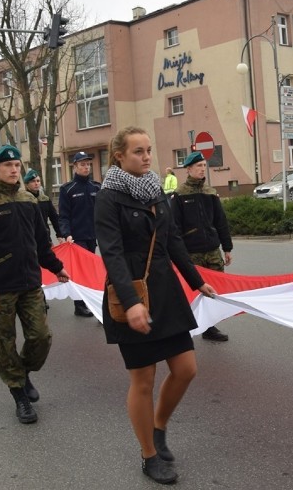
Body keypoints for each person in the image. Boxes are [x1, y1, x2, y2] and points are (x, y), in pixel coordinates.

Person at [95, 126, 216, 485]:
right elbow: (112, 253)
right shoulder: (109, 197)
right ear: (119, 156)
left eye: (149, 150)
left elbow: (172, 240)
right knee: (143, 379)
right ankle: (149, 454)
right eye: (138, 151)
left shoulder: (155, 190)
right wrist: (131, 303)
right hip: (130, 293)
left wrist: (196, 280)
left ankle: (158, 426)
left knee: (186, 369)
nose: (147, 157)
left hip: (164, 291)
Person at [0, 145, 70, 425]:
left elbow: (41, 244)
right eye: (7, 165)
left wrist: (57, 268)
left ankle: (22, 373)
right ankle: (19, 394)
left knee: (41, 337)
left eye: (17, 165)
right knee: (3, 343)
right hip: (0, 288)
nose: (13, 170)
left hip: (30, 283)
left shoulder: (28, 201)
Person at [170, 151, 233, 342]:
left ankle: (209, 326)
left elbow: (221, 221)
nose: (201, 169)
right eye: (198, 166)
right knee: (192, 290)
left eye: (204, 166)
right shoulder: (179, 195)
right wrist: (178, 254)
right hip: (192, 252)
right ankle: (185, 325)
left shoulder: (210, 193)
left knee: (214, 289)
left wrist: (227, 247)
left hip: (212, 250)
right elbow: (175, 227)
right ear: (188, 169)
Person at [59, 151, 100, 317]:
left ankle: (92, 302)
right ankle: (79, 305)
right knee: (80, 272)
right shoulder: (67, 189)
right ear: (74, 166)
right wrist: (66, 233)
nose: (86, 167)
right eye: (82, 164)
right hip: (77, 238)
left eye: (88, 164)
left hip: (93, 236)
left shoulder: (96, 187)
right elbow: (64, 215)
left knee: (91, 271)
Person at [24, 169, 63, 244]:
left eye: (38, 181)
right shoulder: (23, 200)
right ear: (27, 184)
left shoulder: (45, 199)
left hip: (46, 238)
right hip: (30, 240)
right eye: (33, 181)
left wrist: (59, 234)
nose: (36, 183)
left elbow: (54, 217)